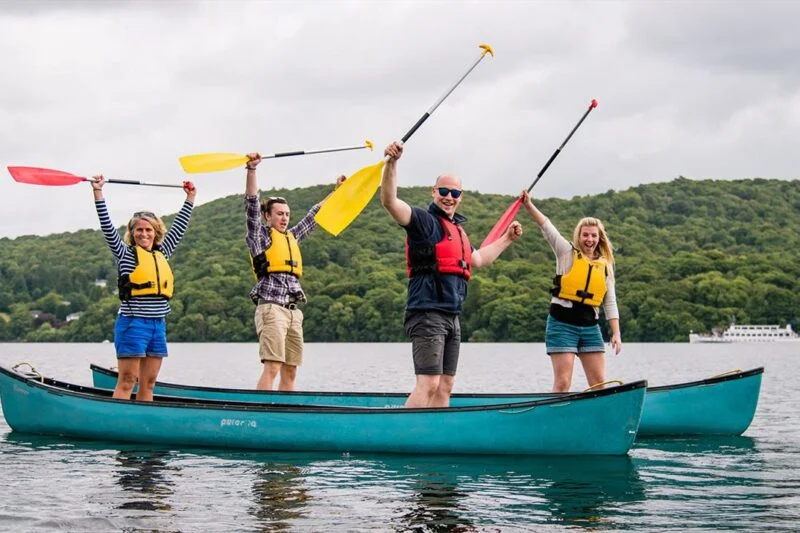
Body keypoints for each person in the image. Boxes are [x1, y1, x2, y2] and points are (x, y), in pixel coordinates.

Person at [380, 141, 523, 408]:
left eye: (454, 192)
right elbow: (389, 201)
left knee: (446, 385)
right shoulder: (423, 221)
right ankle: (403, 435)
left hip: (451, 315)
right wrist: (392, 163)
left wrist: (507, 239)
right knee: (429, 383)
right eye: (444, 191)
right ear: (434, 192)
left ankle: (434, 438)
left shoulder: (458, 230)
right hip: (427, 311)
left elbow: (478, 259)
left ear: (461, 196)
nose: (449, 196)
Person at [244, 152, 345, 391]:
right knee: (273, 366)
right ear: (268, 216)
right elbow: (250, 205)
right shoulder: (260, 238)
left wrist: (337, 191)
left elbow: (315, 215)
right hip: (271, 307)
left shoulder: (292, 236)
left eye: (287, 214)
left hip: (292, 311)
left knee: (290, 370)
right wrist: (252, 170)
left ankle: (284, 415)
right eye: (279, 214)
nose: (284, 218)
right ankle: (262, 415)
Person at [91, 175, 196, 401]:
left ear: (156, 232)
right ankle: (117, 424)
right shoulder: (125, 254)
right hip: (133, 323)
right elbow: (107, 227)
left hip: (157, 325)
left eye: (148, 230)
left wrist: (190, 197)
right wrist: (98, 192)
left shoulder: (163, 252)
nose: (144, 234)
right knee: (128, 380)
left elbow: (179, 227)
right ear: (132, 233)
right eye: (139, 230)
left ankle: (139, 426)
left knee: (148, 383)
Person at [521, 189, 622, 392]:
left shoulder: (605, 266)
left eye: (593, 235)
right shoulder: (566, 252)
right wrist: (529, 205)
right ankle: (554, 419)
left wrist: (616, 333)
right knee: (563, 383)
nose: (589, 239)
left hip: (590, 328)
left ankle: (597, 420)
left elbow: (610, 302)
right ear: (579, 236)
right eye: (585, 235)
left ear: (599, 238)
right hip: (562, 325)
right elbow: (547, 227)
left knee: (599, 384)